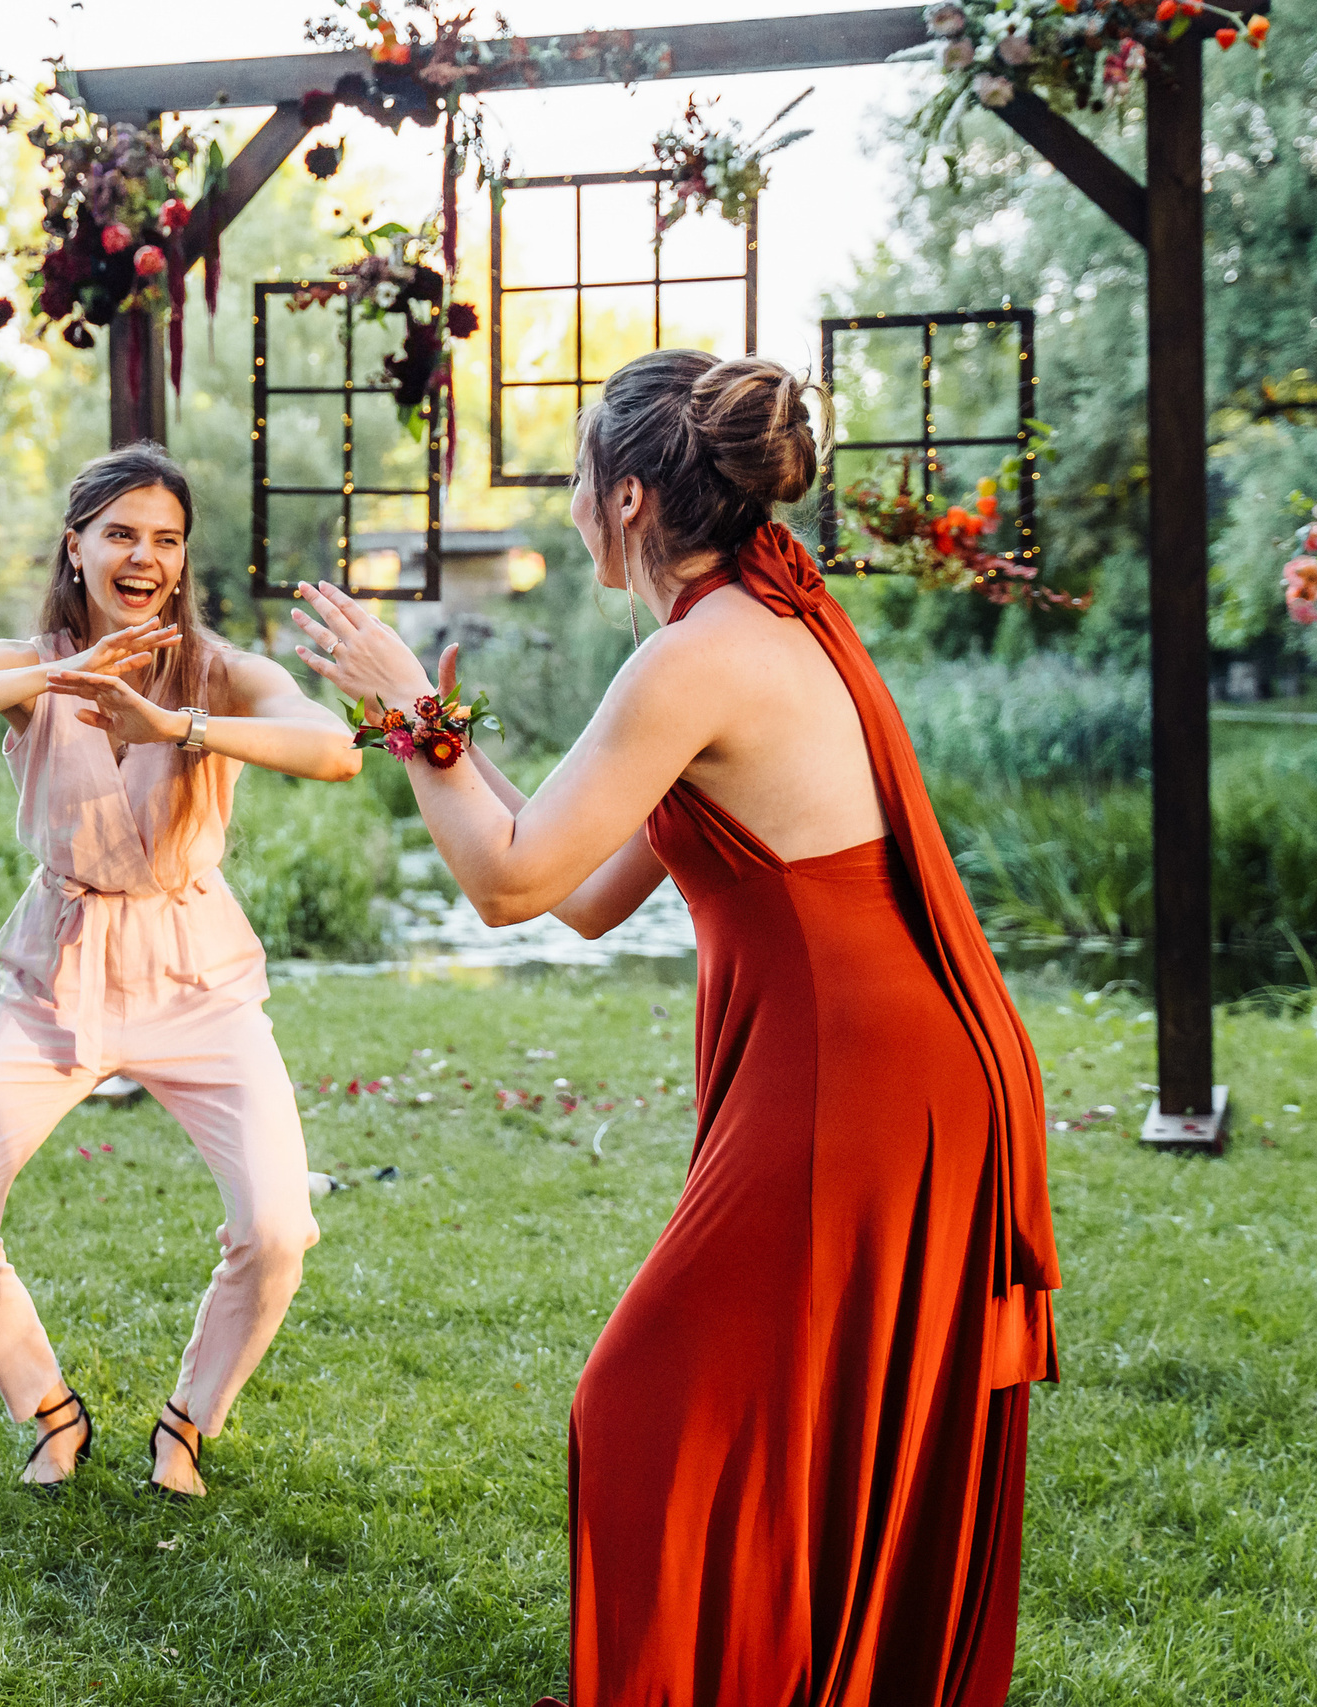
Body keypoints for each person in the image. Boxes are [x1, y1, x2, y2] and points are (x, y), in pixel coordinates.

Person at [291, 351, 1061, 1705]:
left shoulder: (697, 659)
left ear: (630, 496)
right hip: (899, 1063)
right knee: (783, 1415)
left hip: (854, 1079)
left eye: (584, 482)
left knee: (643, 1403)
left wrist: (413, 708)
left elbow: (507, 881)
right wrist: (440, 731)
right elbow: (580, 890)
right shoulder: (755, 627)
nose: (575, 508)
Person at [0, 443, 359, 1499]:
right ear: (76, 544)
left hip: (197, 980)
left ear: (183, 560)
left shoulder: (216, 669)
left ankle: (187, 1420)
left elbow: (335, 748)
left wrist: (175, 724)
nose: (145, 557)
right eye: (122, 533)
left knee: (276, 1228)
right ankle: (49, 1409)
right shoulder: (26, 664)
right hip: (55, 976)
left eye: (167, 539)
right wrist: (56, 676)